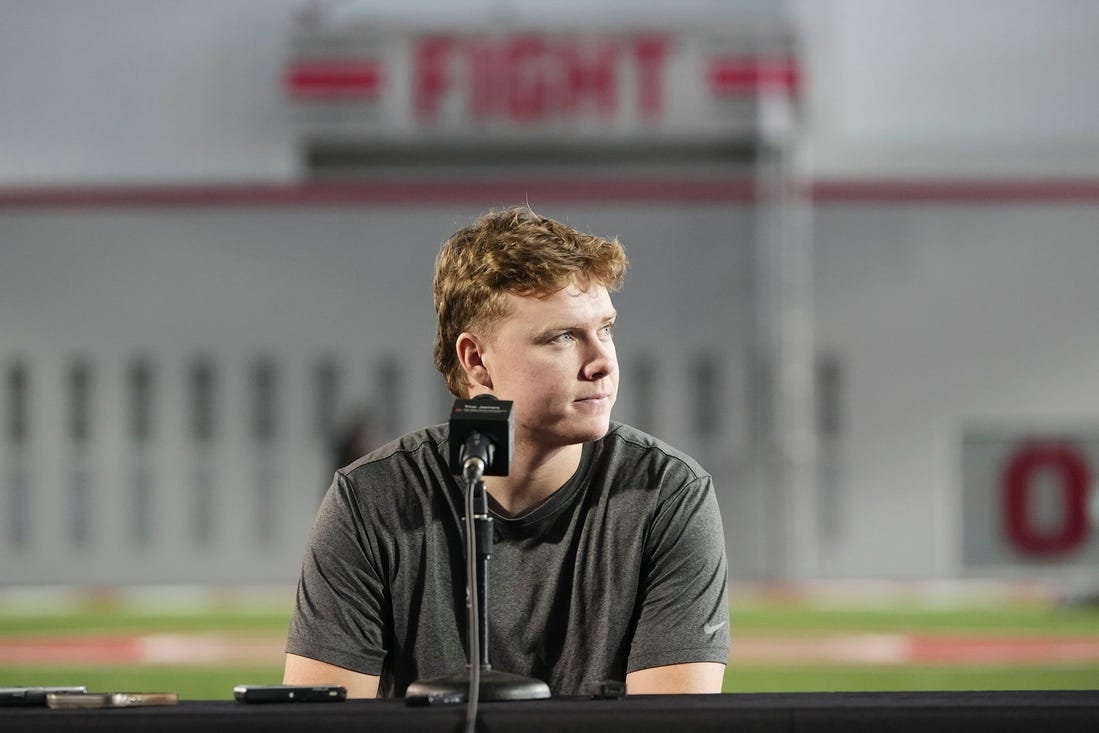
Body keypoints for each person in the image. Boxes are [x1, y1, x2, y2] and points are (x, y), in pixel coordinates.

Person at [283, 206, 730, 698]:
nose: (603, 361)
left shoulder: (666, 496)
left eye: (606, 329)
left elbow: (675, 724)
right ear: (477, 360)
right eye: (563, 337)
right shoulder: (371, 501)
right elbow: (320, 721)